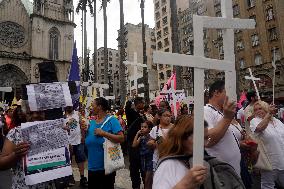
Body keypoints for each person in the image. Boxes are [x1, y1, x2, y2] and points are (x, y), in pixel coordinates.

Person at [0, 110, 56, 189]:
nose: (35, 115)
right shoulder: (15, 133)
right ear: (25, 115)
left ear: (45, 114)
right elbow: (1, 164)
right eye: (30, 113)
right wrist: (15, 155)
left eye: (39, 112)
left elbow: (69, 155)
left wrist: (64, 137)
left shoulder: (53, 131)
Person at [152, 115, 208, 189]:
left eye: (206, 138)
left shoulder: (204, 161)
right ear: (182, 137)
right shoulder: (168, 165)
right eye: (199, 137)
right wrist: (185, 184)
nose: (204, 143)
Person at [85, 97, 124, 189]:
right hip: (92, 167)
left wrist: (104, 133)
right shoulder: (92, 122)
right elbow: (88, 140)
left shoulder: (112, 120)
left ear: (99, 107)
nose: (91, 108)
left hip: (107, 167)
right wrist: (84, 132)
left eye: (93, 105)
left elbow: (121, 138)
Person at [204, 80, 241, 175]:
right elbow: (208, 140)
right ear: (216, 93)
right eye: (227, 92)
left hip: (234, 169)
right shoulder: (205, 110)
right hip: (222, 173)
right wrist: (227, 118)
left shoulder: (220, 113)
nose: (231, 96)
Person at [250, 100, 284, 189]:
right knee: (268, 186)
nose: (257, 111)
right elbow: (259, 128)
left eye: (260, 108)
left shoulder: (277, 121)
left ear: (266, 108)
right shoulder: (255, 121)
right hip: (269, 161)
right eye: (255, 110)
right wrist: (269, 114)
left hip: (282, 159)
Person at [64, 106, 88, 187]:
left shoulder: (77, 113)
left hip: (78, 142)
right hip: (67, 143)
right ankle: (69, 178)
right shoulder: (62, 115)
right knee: (68, 161)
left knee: (81, 160)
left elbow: (82, 125)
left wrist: (83, 137)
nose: (69, 107)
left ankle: (82, 178)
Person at [125, 97, 145, 189]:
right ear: (138, 104)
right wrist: (130, 100)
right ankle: (136, 186)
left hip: (142, 143)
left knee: (143, 167)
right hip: (132, 143)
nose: (143, 105)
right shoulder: (131, 113)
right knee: (134, 167)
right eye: (142, 103)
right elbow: (127, 108)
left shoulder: (144, 115)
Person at [132, 121, 154, 189]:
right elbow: (134, 145)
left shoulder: (151, 137)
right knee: (146, 179)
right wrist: (137, 134)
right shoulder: (141, 137)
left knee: (147, 179)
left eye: (145, 127)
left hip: (150, 159)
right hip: (143, 159)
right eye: (142, 127)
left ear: (150, 129)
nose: (142, 128)